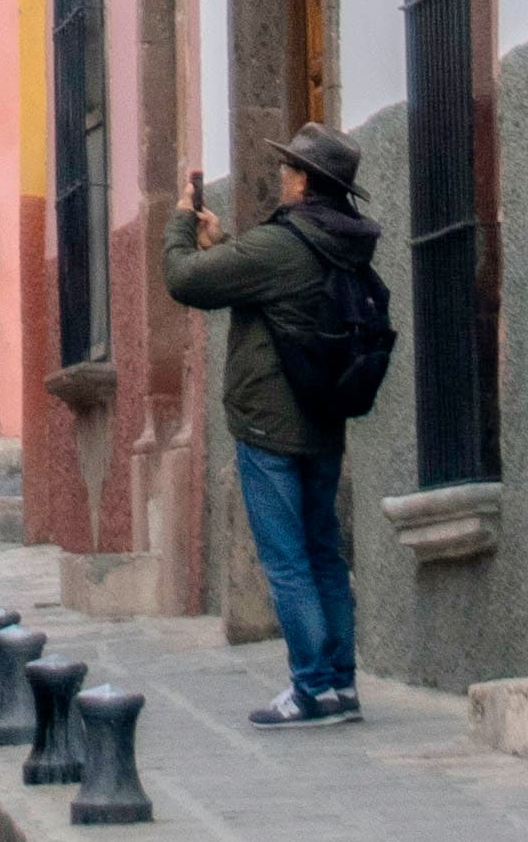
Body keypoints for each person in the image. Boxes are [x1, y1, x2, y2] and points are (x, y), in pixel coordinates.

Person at [165, 121, 392, 727]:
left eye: (290, 168)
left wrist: (181, 224)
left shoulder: (284, 243)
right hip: (322, 418)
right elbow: (280, 293)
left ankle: (311, 689)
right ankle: (341, 686)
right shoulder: (339, 243)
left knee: (287, 558)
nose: (283, 176)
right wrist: (229, 241)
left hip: (270, 424)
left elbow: (183, 280)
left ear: (303, 182)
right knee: (323, 554)